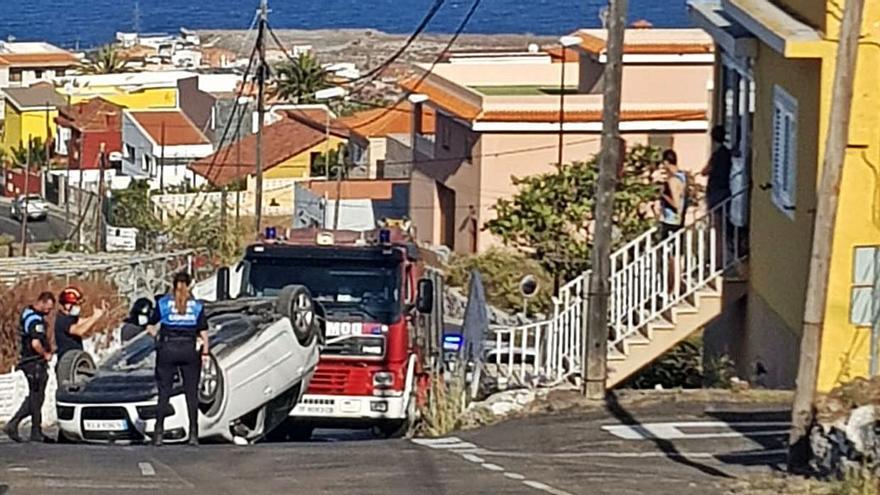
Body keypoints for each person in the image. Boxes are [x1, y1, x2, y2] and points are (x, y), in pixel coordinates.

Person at [147, 272, 209, 446]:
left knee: (164, 392)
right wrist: (205, 352)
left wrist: (158, 337)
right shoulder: (197, 306)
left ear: (173, 285)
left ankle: (158, 432)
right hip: (189, 349)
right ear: (189, 286)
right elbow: (203, 331)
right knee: (191, 393)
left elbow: (150, 326)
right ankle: (193, 434)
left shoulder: (163, 304)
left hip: (167, 349)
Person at [3, 292, 55, 443]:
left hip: (28, 362)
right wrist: (45, 354)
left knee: (35, 396)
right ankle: (27, 429)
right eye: (48, 308)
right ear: (42, 302)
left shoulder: (27, 312)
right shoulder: (35, 320)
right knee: (36, 396)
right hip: (34, 362)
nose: (49, 311)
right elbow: (35, 343)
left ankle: (31, 430)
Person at [701, 125, 735, 268]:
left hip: (716, 193)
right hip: (726, 191)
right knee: (724, 228)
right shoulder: (727, 153)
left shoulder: (717, 155)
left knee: (718, 228)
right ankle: (724, 257)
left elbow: (705, 171)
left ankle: (719, 261)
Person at [54, 287, 109, 363]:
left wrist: (98, 314)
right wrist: (95, 317)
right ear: (67, 304)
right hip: (67, 362)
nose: (78, 307)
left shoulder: (71, 318)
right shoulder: (62, 320)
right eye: (75, 304)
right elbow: (79, 330)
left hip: (76, 359)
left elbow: (82, 322)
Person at [658, 149, 689, 238]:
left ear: (666, 162)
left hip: (671, 220)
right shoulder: (683, 177)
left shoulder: (673, 180)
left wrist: (663, 195)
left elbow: (676, 204)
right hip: (680, 220)